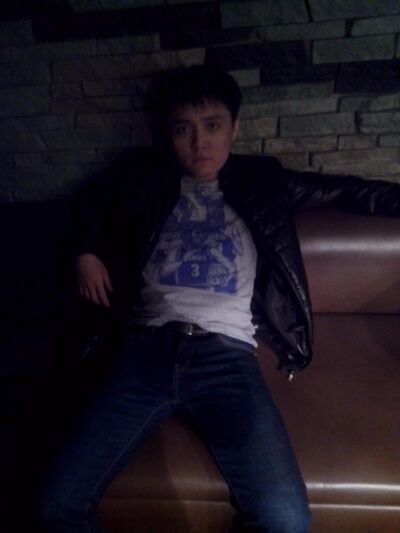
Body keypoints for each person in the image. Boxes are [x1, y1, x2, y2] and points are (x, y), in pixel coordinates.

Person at [40, 65, 400, 532]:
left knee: (286, 521)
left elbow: (349, 191)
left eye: (212, 126)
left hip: (226, 357)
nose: (199, 143)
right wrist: (86, 251)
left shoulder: (261, 180)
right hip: (143, 352)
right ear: (167, 134)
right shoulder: (142, 175)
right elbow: (89, 200)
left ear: (234, 127)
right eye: (183, 129)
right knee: (58, 506)